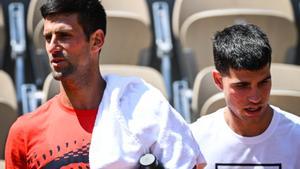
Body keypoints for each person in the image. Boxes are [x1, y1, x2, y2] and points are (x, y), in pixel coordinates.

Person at [5, 0, 206, 168]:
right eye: (48, 38)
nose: (52, 47)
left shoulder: (143, 108)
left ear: (96, 40)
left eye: (64, 36)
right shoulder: (25, 132)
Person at [190, 24, 300, 169]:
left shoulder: (296, 137)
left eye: (263, 82)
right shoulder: (196, 139)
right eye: (242, 86)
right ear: (218, 80)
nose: (255, 98)